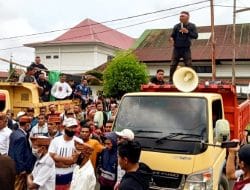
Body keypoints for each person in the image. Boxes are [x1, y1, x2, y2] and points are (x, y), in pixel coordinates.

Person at [49, 117, 83, 190]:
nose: (72, 130)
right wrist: (68, 161)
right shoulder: (56, 141)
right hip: (56, 174)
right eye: (70, 127)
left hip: (72, 174)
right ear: (64, 127)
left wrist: (58, 159)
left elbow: (75, 160)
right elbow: (51, 157)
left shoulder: (79, 142)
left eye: (74, 127)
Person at [169, 11, 198, 83]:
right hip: (176, 48)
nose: (180, 17)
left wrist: (187, 32)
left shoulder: (192, 26)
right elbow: (172, 36)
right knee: (173, 65)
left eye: (182, 16)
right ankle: (171, 81)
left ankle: (191, 80)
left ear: (187, 17)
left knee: (188, 64)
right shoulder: (176, 26)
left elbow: (196, 36)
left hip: (186, 48)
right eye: (180, 16)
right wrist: (171, 39)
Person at [8, 116, 34, 190]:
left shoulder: (14, 133)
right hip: (20, 169)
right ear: (27, 125)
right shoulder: (21, 137)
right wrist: (22, 169)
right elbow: (18, 154)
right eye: (29, 125)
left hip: (14, 166)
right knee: (19, 187)